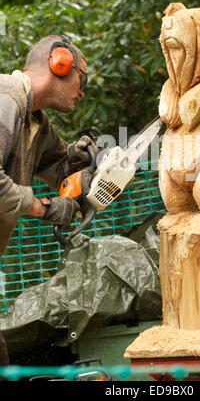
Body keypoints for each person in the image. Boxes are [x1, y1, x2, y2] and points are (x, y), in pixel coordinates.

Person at [0, 35, 97, 367]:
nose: (82, 91)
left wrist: (85, 163)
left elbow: (63, 171)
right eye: (80, 78)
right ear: (59, 63)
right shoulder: (5, 98)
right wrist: (43, 208)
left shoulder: (36, 123)